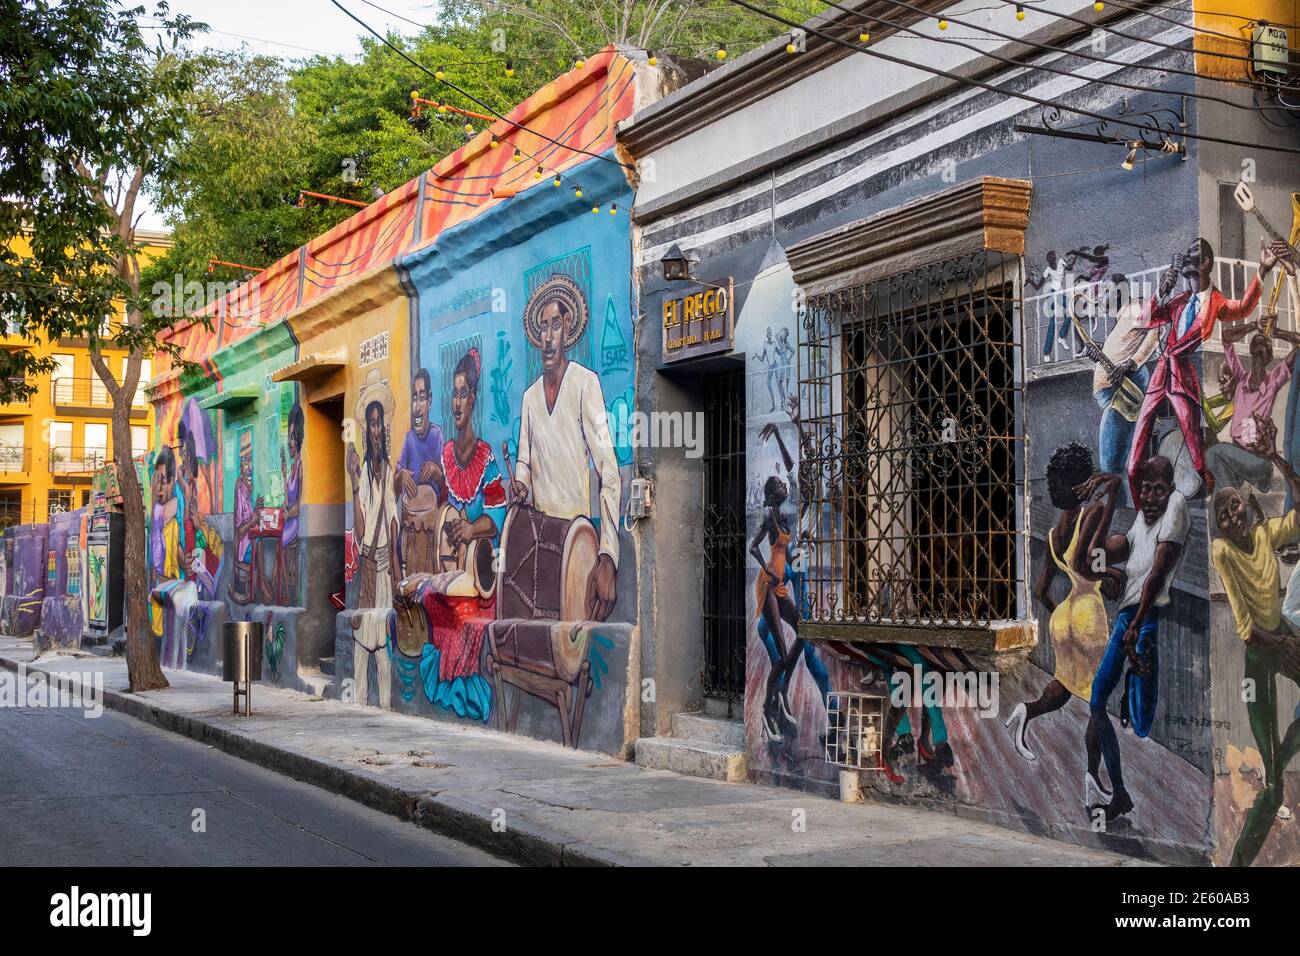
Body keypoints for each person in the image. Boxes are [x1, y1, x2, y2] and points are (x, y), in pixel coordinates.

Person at [1007, 445, 1121, 805]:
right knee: (1097, 703)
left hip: (1064, 614)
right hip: (1088, 611)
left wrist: (1063, 615)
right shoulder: (1094, 512)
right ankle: (1091, 778)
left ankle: (1025, 711)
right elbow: (1089, 564)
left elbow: (1041, 590)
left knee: (1066, 686)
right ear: (1084, 480)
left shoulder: (1055, 532)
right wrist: (1114, 490)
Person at [1211, 414, 1300, 866]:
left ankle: (1282, 757)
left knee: (1278, 763)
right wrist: (1282, 644)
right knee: (1273, 786)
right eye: (1222, 513)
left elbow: (1298, 517)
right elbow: (1246, 627)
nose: (1230, 515)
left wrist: (1280, 460)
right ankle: (1237, 865)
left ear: (1246, 508)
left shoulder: (1265, 534)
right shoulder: (1223, 552)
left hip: (1282, 636)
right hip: (1260, 653)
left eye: (1234, 507)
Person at [1126, 237, 1273, 502]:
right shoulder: (1180, 301)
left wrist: (1262, 270)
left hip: (1182, 379)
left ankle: (1223, 498)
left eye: (1192, 251)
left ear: (1205, 262)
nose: (1185, 254)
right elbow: (1144, 321)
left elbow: (1243, 307)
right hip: (1161, 375)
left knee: (1196, 455)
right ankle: (1139, 511)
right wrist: (1162, 290)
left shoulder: (1215, 303)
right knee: (1133, 460)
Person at [509, 274, 620, 621]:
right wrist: (520, 484)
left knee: (573, 637)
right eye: (542, 327)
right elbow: (524, 462)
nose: (547, 336)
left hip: (577, 541)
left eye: (555, 325)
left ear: (567, 329)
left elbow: (610, 473)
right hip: (540, 540)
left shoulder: (586, 384)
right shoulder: (529, 399)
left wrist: (608, 556)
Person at [1090, 455, 1189, 822]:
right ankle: (1120, 795)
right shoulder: (1141, 519)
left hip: (1144, 620)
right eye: (1144, 489)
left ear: (1170, 490)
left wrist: (1137, 624)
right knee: (1098, 700)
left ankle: (1137, 678)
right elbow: (1110, 551)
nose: (1149, 497)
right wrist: (1104, 563)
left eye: (1157, 490)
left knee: (1142, 722)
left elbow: (1156, 576)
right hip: (1127, 619)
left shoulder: (1175, 509)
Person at [414, 348, 506, 720]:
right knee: (432, 598)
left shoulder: (486, 457)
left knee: (463, 614)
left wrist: (471, 528)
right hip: (455, 569)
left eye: (463, 393)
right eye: (453, 393)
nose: (456, 402)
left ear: (474, 398)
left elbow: (497, 517)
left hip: (482, 576)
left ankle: (464, 691)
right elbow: (447, 506)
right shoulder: (447, 453)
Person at [347, 369, 398, 709]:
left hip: (385, 573)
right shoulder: (365, 474)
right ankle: (360, 711)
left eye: (380, 423)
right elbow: (361, 529)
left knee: (384, 654)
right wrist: (353, 482)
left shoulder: (390, 472)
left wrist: (397, 569)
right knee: (362, 650)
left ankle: (387, 712)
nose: (376, 430)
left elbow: (394, 522)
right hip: (368, 566)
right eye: (372, 424)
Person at [279, 402, 304, 604]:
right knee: (279, 539)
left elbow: (299, 502)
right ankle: (286, 589)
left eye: (293, 438)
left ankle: (291, 591)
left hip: (295, 521)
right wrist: (283, 470)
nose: (290, 443)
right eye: (289, 438)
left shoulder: (301, 467)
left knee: (283, 540)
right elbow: (287, 500)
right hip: (289, 519)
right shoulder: (291, 469)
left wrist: (289, 513)